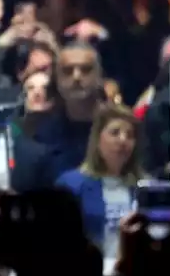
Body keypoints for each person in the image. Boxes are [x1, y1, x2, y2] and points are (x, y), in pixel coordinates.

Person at [55, 104, 145, 258]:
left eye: (130, 135)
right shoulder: (71, 185)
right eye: (115, 133)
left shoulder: (143, 187)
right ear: (98, 139)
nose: (123, 140)